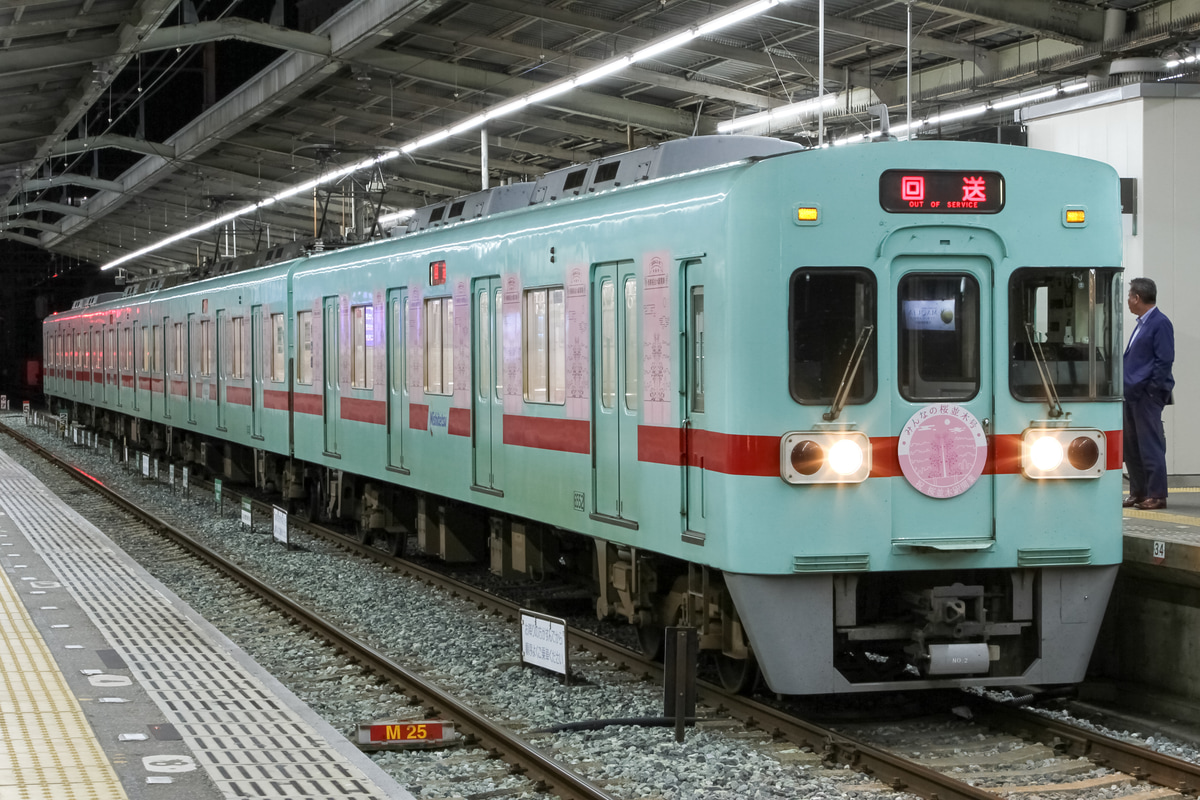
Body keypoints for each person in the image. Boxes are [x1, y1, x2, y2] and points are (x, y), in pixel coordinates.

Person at [1123, 277, 1174, 510]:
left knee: (1150, 444)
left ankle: (1156, 494)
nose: (1127, 301)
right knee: (1132, 445)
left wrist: (1153, 391)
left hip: (1146, 395)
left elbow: (1164, 360)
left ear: (1137, 298)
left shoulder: (1160, 323)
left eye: (1129, 296)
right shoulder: (1142, 323)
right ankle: (1138, 491)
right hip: (1132, 393)